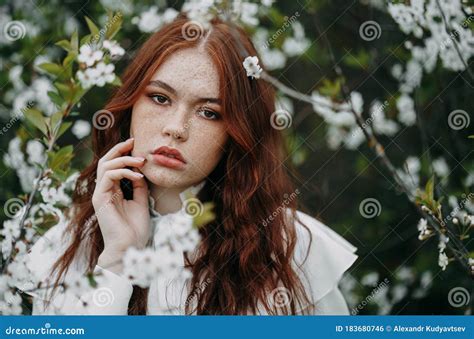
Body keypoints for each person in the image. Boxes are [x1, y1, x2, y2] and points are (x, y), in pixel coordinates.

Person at [18, 14, 358, 315]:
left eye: (209, 112)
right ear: (131, 103)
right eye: (160, 98)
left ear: (237, 132)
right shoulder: (67, 246)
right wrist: (117, 258)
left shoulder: (291, 249)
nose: (176, 128)